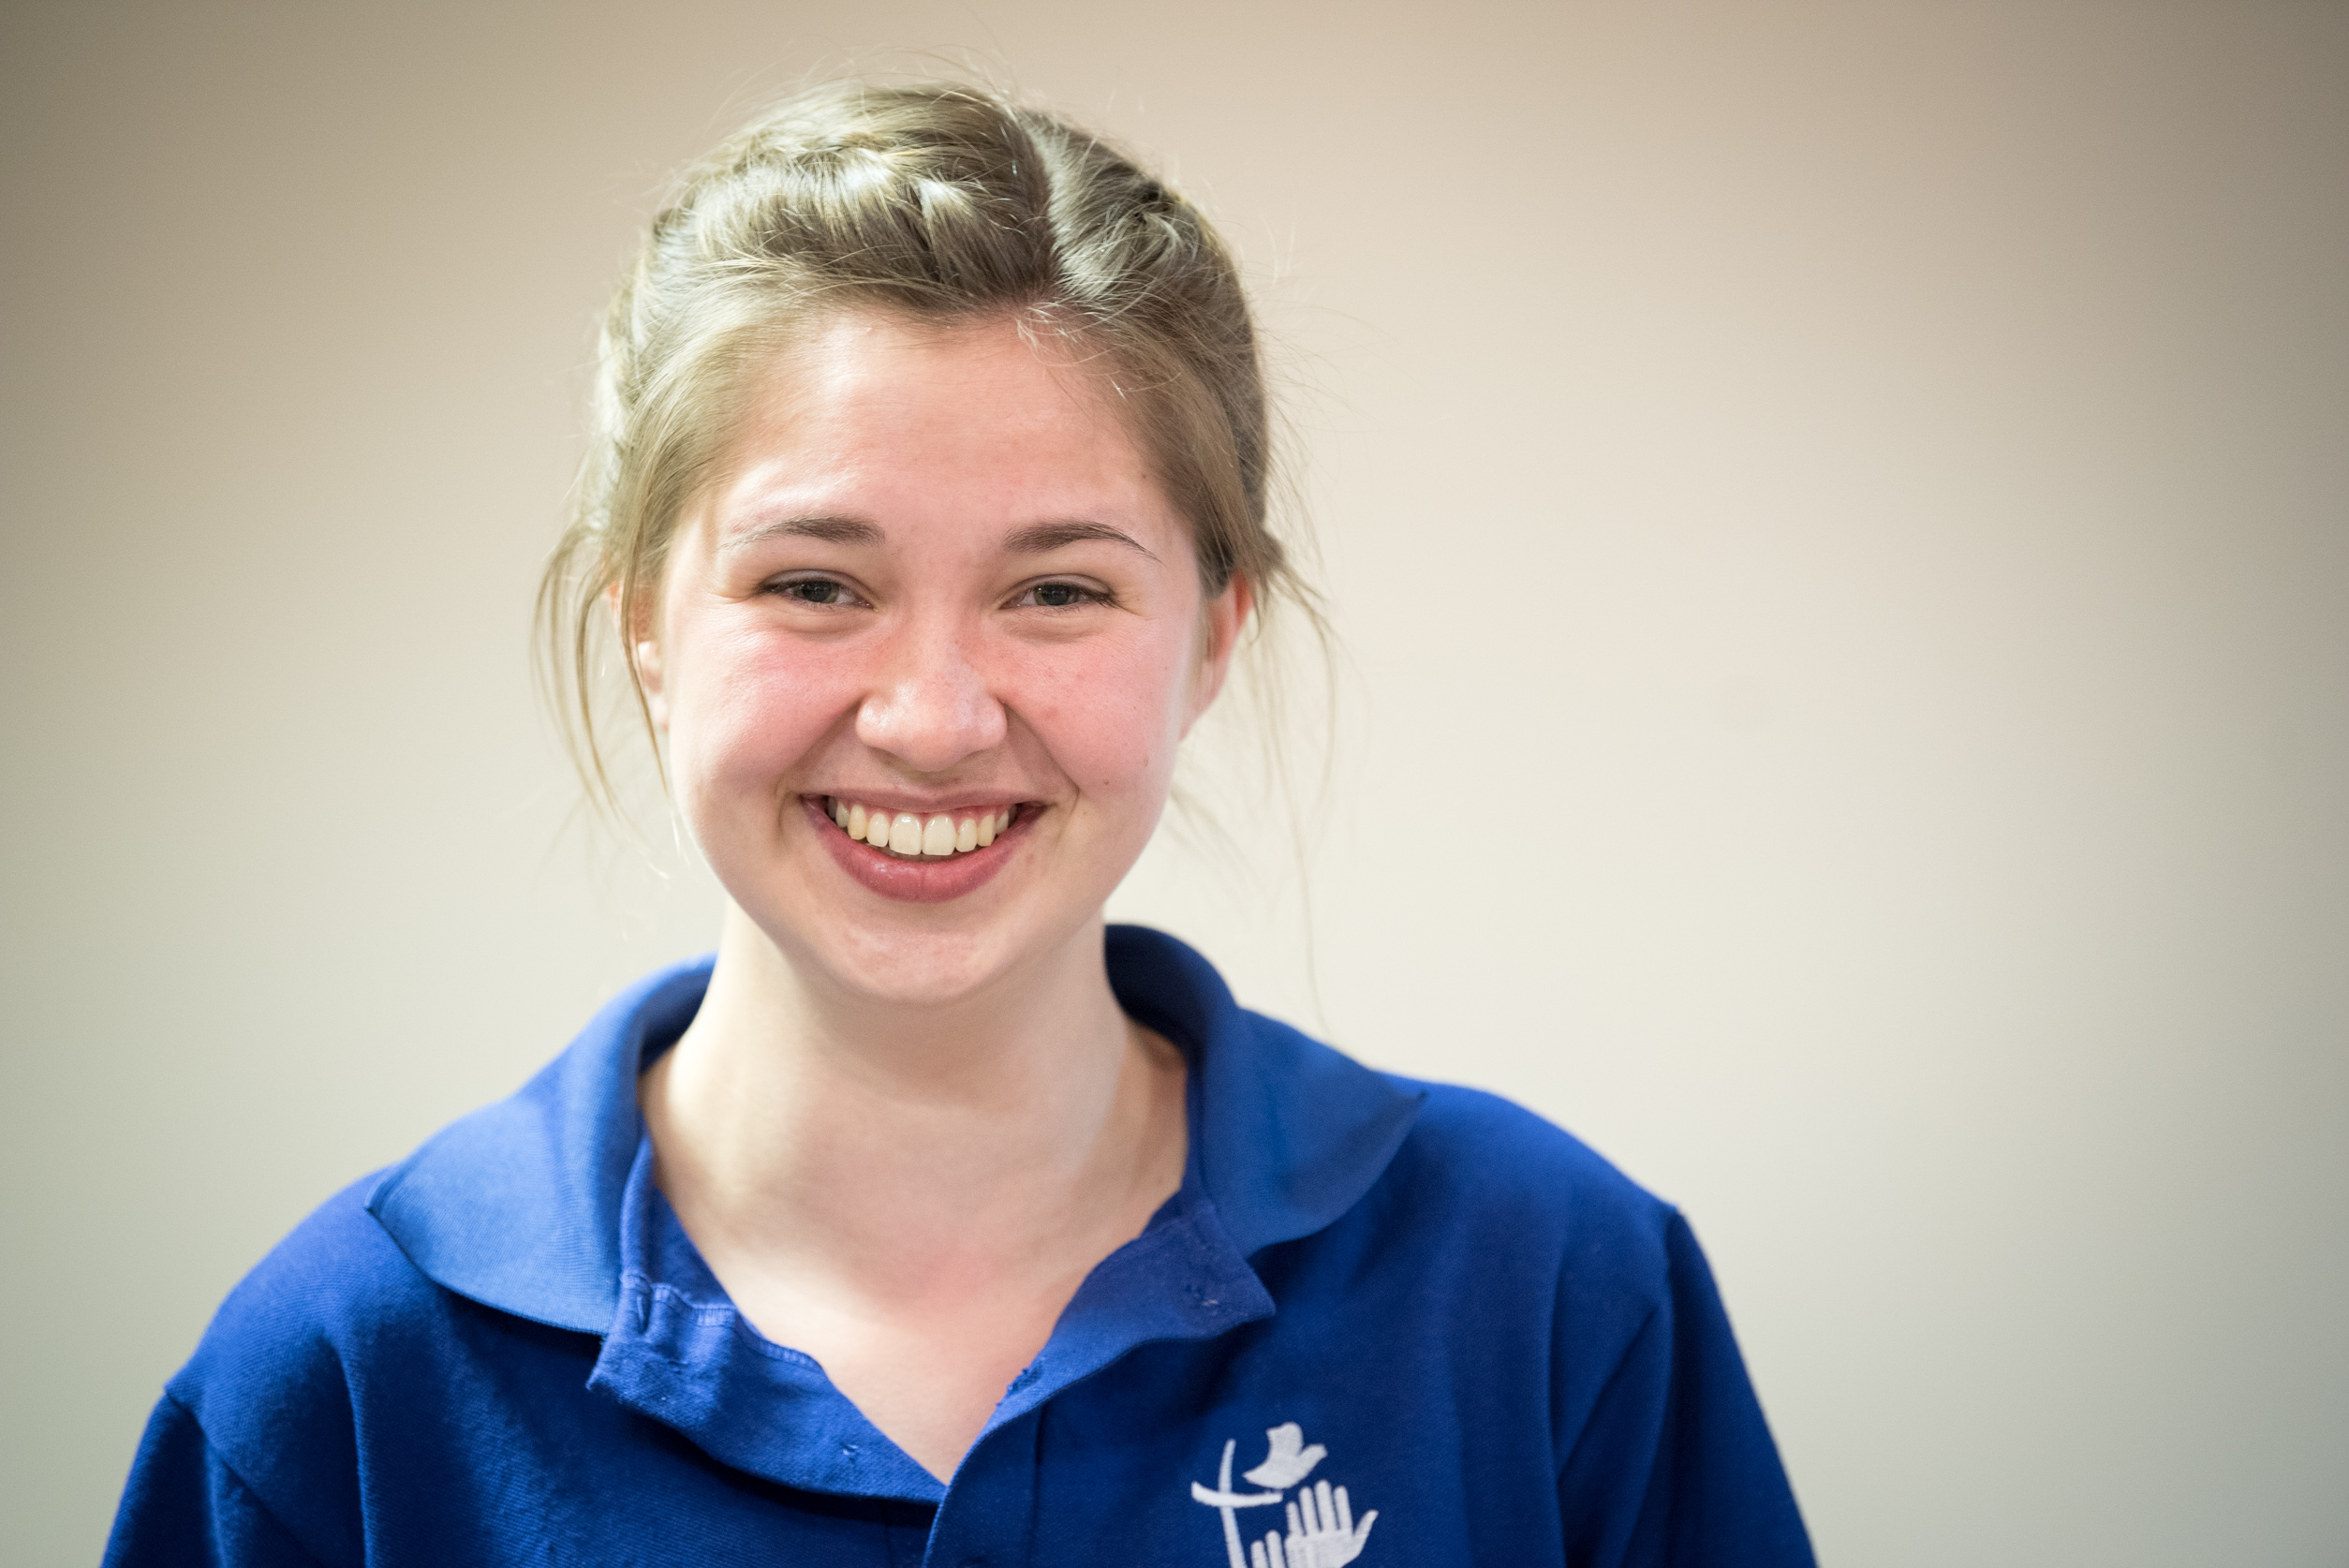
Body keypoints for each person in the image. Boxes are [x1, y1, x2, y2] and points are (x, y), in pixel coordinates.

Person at [103, 81, 1814, 1567]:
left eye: (1057, 589)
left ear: (1214, 636)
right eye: (817, 582)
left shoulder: (1549, 1292)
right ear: (643, 624)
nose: (931, 717)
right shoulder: (340, 1377)